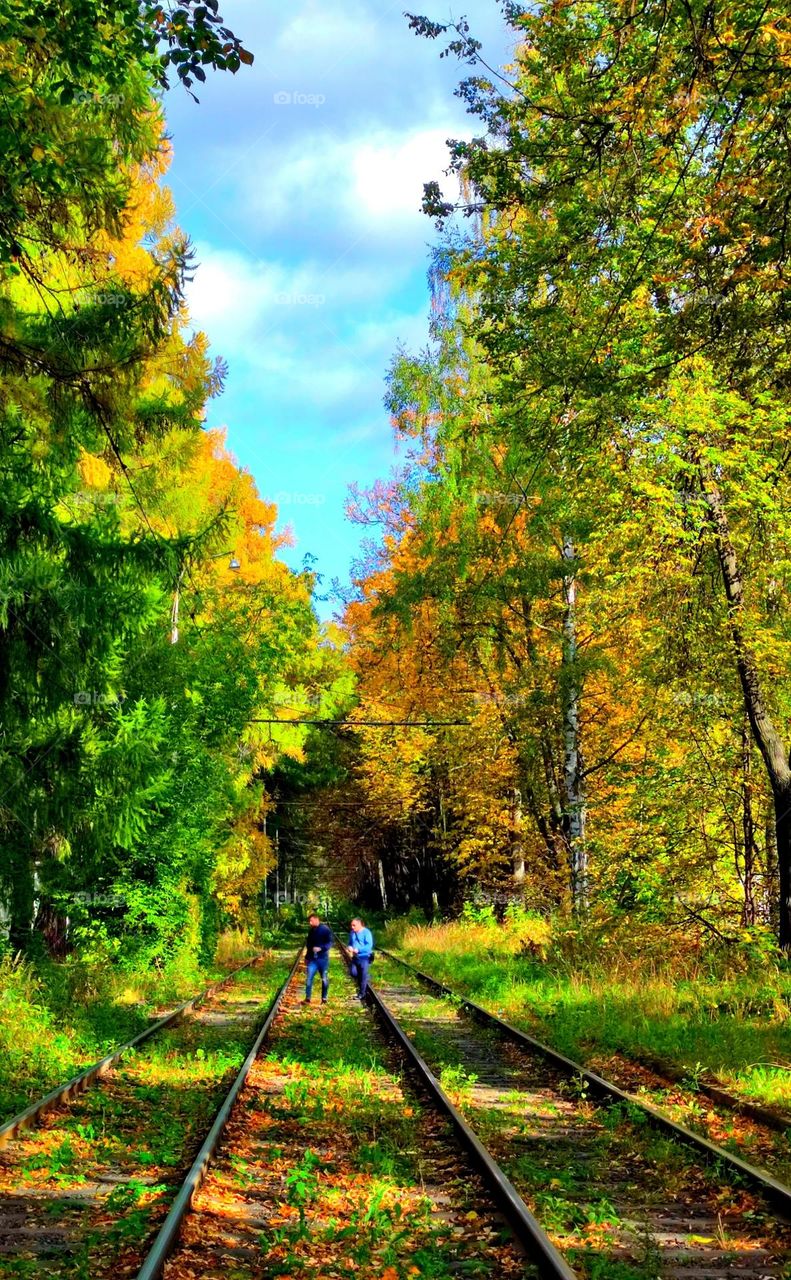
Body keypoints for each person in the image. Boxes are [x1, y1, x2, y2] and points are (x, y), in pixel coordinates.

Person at [304, 911, 332, 1005]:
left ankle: (324, 998)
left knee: (324, 979)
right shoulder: (311, 931)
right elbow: (308, 944)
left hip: (323, 959)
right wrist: (307, 957)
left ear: (316, 919)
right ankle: (308, 998)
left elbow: (329, 943)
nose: (310, 923)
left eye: (311, 921)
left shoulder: (325, 929)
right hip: (312, 959)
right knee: (309, 978)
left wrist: (321, 948)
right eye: (309, 921)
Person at [348, 916, 374, 1000]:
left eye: (354, 925)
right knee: (353, 972)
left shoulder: (366, 932)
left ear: (359, 924)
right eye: (351, 925)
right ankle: (367, 976)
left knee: (362, 976)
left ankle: (362, 994)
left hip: (364, 957)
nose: (352, 927)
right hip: (355, 957)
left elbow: (369, 945)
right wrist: (349, 947)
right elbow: (350, 943)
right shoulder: (352, 933)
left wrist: (359, 950)